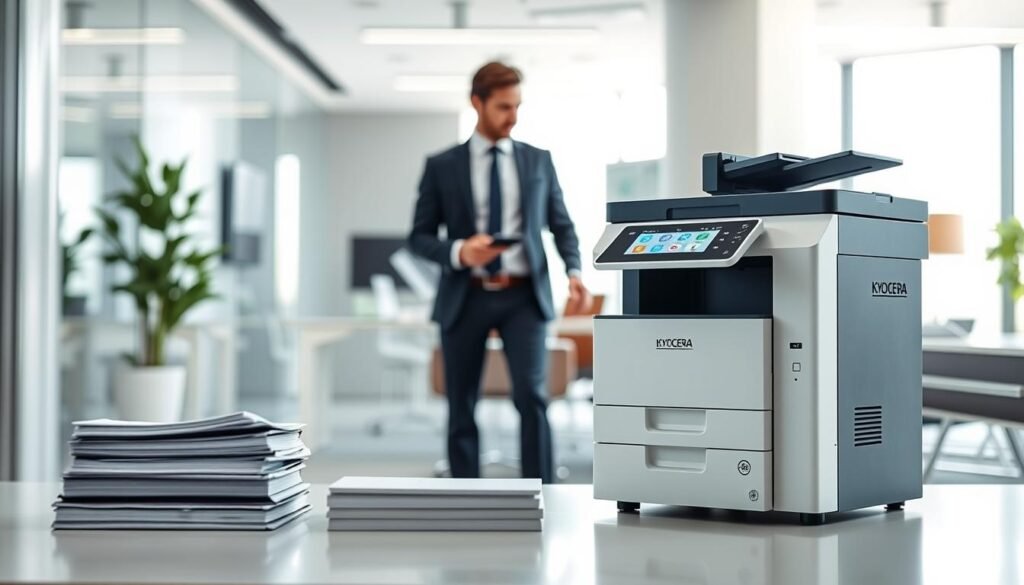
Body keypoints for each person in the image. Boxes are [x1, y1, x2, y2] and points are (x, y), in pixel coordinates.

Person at [407, 62, 591, 483]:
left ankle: (542, 491)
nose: (513, 116)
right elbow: (418, 236)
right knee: (461, 402)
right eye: (504, 107)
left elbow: (561, 223)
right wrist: (458, 251)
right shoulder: (442, 166)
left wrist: (574, 271)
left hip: (523, 296)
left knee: (532, 398)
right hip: (464, 295)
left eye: (518, 106)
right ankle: (465, 495)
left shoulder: (538, 161)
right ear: (477, 103)